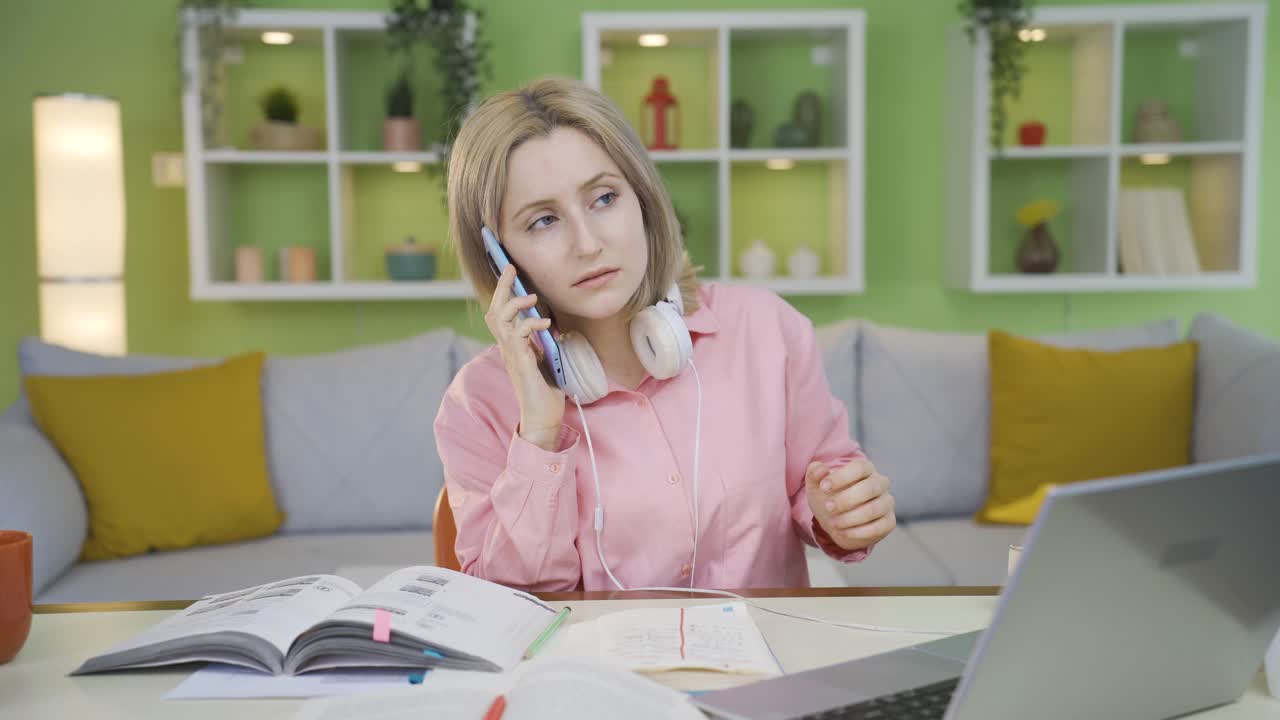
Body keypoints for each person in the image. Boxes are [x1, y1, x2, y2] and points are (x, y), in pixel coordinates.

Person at [433, 76, 895, 592]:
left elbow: (825, 483)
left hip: (763, 663)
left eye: (604, 198)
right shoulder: (477, 405)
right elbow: (513, 604)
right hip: (590, 672)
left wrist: (841, 511)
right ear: (500, 259)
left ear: (643, 199)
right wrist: (540, 434)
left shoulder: (767, 331)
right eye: (543, 221)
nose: (588, 244)